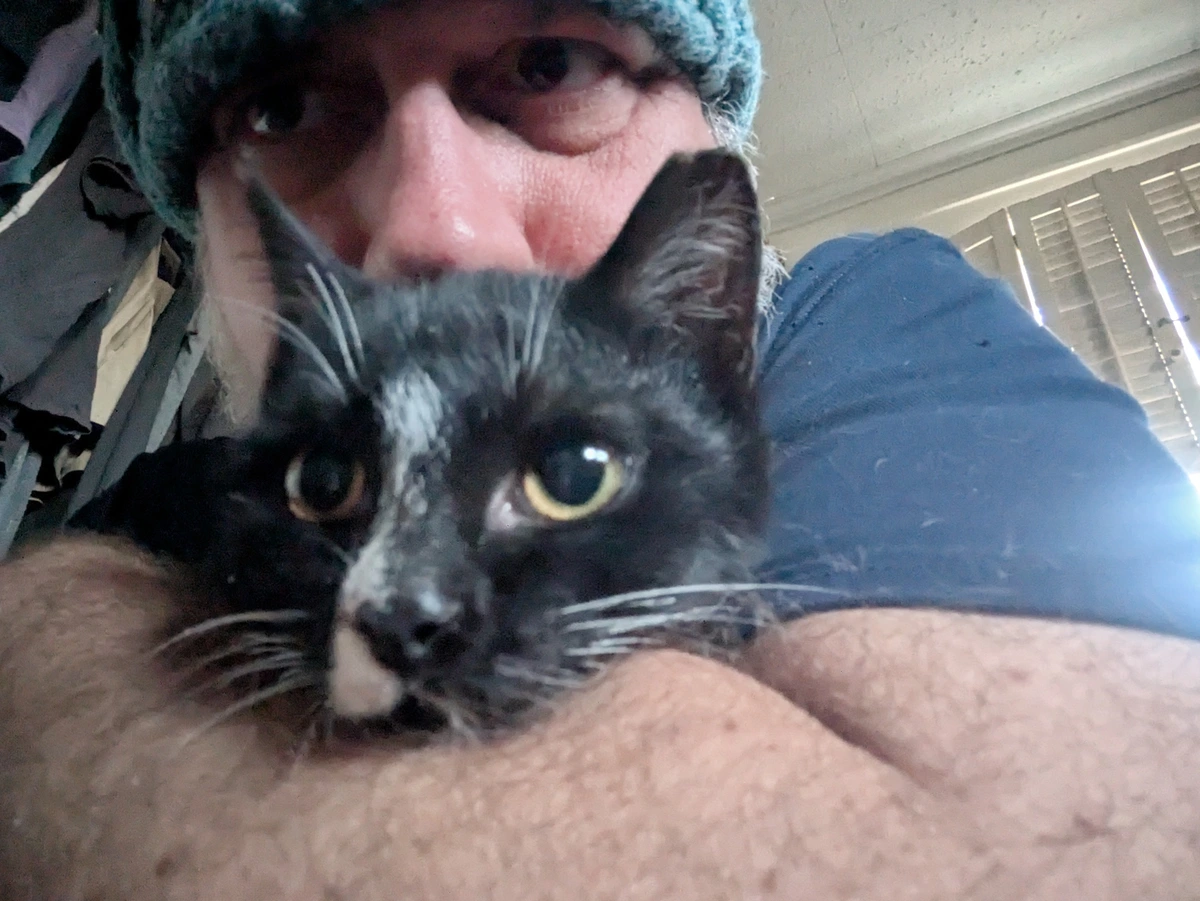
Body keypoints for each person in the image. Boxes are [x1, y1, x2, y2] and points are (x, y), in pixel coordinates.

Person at [2, 0, 1200, 896]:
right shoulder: (173, 488)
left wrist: (68, 675)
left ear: (707, 127)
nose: (432, 227)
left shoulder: (870, 324)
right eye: (284, 109)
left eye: (550, 65)